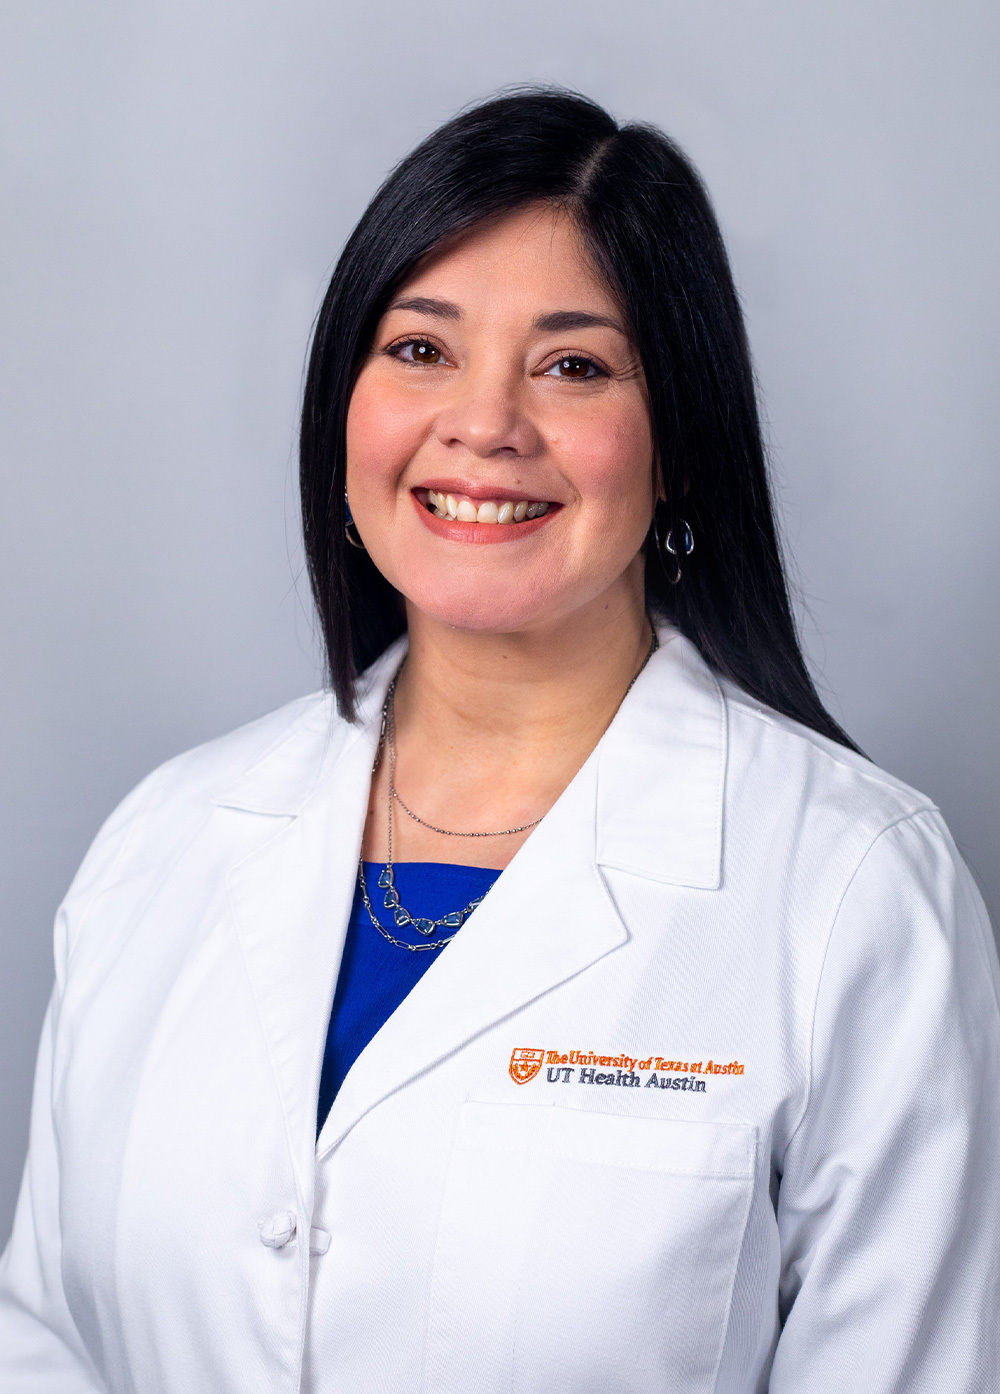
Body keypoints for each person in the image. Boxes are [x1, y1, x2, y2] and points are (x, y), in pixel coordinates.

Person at [1, 88, 997, 1394]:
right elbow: (46, 1337)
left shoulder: (854, 893)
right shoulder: (166, 843)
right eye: (420, 349)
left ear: (680, 443)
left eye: (572, 364)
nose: (484, 423)